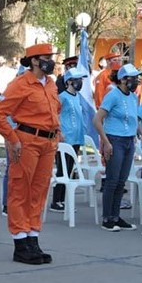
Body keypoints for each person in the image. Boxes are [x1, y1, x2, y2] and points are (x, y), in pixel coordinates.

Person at [0, 43, 63, 265]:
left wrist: (57, 134)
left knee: (39, 191)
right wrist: (12, 139)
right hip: (27, 141)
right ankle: (20, 242)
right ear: (34, 60)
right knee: (21, 189)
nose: (51, 61)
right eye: (46, 57)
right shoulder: (21, 83)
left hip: (47, 142)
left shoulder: (50, 84)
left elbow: (55, 111)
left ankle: (33, 237)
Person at [94, 62, 142, 232]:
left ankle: (116, 216)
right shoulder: (113, 95)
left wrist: (140, 134)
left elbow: (133, 118)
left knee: (122, 181)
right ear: (123, 79)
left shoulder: (132, 96)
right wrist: (106, 141)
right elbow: (97, 119)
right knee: (112, 180)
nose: (137, 81)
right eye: (134, 78)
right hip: (115, 140)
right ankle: (107, 218)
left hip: (129, 140)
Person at [51, 67, 89, 212]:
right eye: (77, 80)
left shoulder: (77, 97)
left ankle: (63, 199)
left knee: (70, 169)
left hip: (76, 138)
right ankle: (56, 200)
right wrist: (58, 132)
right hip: (65, 138)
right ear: (69, 81)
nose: (80, 82)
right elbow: (55, 115)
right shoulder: (62, 97)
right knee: (63, 169)